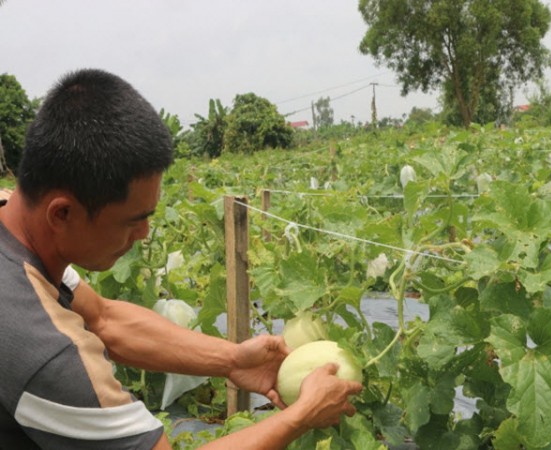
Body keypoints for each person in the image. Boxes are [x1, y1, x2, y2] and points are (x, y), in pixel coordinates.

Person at [0, 69, 362, 450]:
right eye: (132, 222)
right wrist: (302, 415)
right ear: (62, 214)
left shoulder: (15, 219)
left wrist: (234, 360)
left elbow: (103, 318)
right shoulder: (42, 346)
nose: (144, 235)